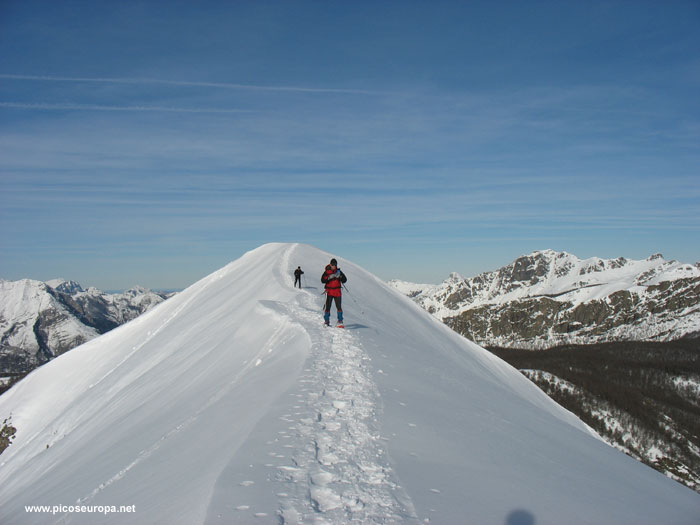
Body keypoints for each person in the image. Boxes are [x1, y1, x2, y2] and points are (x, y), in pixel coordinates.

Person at [321, 258, 347, 326]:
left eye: (335, 265)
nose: (333, 266)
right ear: (330, 264)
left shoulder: (339, 271)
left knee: (339, 307)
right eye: (332, 265)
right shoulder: (326, 272)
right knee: (328, 307)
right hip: (329, 291)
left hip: (337, 291)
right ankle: (326, 321)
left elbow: (344, 280)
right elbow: (322, 280)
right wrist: (329, 278)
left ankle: (340, 321)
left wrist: (340, 276)